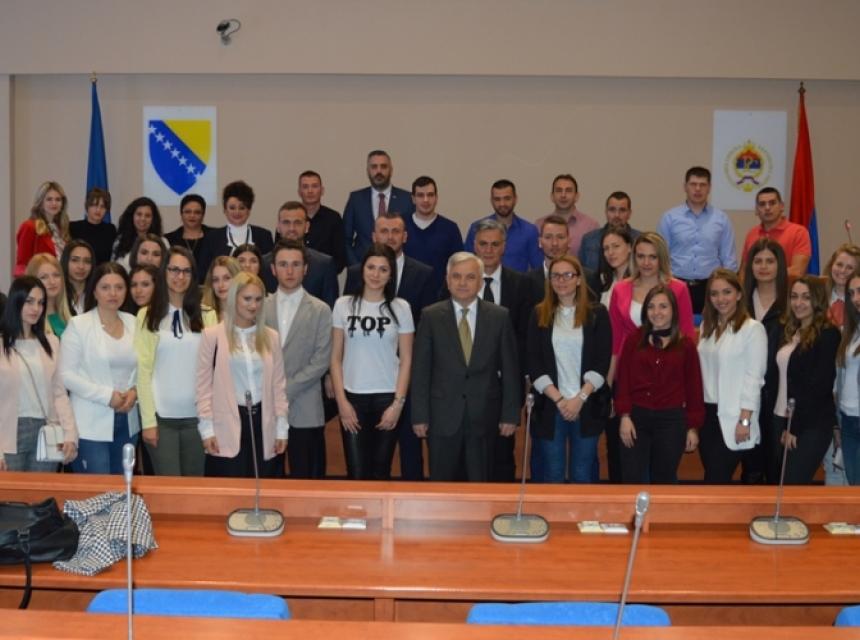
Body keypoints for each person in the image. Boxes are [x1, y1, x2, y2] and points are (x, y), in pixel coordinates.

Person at [411, 252, 521, 482]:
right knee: (442, 486)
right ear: (447, 280)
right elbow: (420, 370)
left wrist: (510, 415)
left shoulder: (499, 316)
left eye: (470, 277)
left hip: (484, 417)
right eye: (456, 276)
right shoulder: (431, 316)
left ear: (480, 282)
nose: (462, 283)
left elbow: (511, 370)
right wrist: (419, 415)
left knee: (480, 485)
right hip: (442, 417)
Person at [344, 212, 435, 480]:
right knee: (362, 466)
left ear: (405, 236)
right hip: (360, 381)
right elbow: (346, 333)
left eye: (396, 231)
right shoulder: (354, 275)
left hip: (403, 378)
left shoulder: (424, 273)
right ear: (374, 236)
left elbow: (425, 332)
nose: (390, 236)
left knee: (408, 451)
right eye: (384, 231)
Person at [331, 244, 413, 480]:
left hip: (387, 399)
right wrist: (342, 403)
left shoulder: (401, 308)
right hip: (352, 398)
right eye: (371, 267)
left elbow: (407, 359)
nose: (376, 274)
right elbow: (335, 358)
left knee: (380, 472)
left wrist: (397, 405)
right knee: (356, 472)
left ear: (391, 274)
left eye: (383, 269)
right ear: (362, 269)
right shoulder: (343, 305)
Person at [526, 255, 611, 483]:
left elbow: (602, 361)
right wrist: (560, 400)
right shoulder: (539, 313)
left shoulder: (598, 313)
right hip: (551, 405)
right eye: (555, 276)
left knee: (582, 473)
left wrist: (579, 398)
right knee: (552, 472)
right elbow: (534, 362)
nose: (561, 280)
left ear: (579, 279)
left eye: (567, 275)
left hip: (587, 404)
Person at [196, 271, 288, 478]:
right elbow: (203, 388)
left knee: (265, 488)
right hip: (225, 426)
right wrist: (207, 430)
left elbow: (279, 386)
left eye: (258, 299)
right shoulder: (212, 336)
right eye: (247, 298)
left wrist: (282, 429)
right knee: (229, 489)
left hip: (264, 423)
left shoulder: (271, 337)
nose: (253, 305)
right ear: (233, 298)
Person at [136, 246, 217, 476]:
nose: (180, 276)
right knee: (168, 488)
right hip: (162, 421)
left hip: (198, 419)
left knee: (195, 488)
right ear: (164, 272)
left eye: (186, 271)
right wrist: (148, 421)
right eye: (174, 270)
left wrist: (210, 420)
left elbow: (212, 371)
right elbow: (143, 372)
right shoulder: (147, 315)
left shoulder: (208, 315)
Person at [462, 218, 532, 481]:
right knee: (466, 458)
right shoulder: (459, 284)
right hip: (465, 389)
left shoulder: (522, 284)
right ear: (474, 246)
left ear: (504, 246)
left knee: (502, 458)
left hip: (504, 388)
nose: (488, 250)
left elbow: (525, 338)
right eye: (483, 244)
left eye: (495, 244)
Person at [614, 284, 704, 484]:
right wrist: (625, 416)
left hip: (671, 420)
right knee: (632, 477)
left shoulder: (686, 345)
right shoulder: (634, 340)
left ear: (673, 310)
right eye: (651, 307)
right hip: (636, 418)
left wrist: (692, 427)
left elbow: (694, 388)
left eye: (663, 306)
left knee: (664, 479)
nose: (657, 312)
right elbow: (623, 380)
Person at [60, 262, 139, 474]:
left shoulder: (134, 323)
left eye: (119, 287)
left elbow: (144, 369)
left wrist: (135, 391)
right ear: (94, 291)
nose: (113, 293)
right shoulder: (78, 325)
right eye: (105, 287)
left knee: (123, 488)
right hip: (90, 423)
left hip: (128, 420)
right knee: (96, 489)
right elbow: (66, 375)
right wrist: (106, 396)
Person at [264, 240, 333, 479]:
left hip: (306, 407)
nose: (290, 271)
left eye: (295, 264)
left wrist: (285, 389)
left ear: (306, 269)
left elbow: (322, 359)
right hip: (268, 406)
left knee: (307, 480)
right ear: (273, 269)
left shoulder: (321, 309)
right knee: (269, 480)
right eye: (283, 264)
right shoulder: (260, 307)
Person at [697, 269, 768, 483]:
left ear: (738, 294)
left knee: (715, 481)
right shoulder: (707, 327)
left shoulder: (753, 329)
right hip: (708, 416)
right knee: (713, 479)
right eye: (714, 293)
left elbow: (754, 379)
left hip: (734, 415)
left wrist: (745, 420)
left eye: (727, 292)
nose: (721, 299)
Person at [0, 277, 77, 471]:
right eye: (29, 301)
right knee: (10, 491)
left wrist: (70, 434)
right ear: (16, 302)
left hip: (47, 431)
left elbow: (59, 393)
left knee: (43, 490)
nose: (36, 308)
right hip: (8, 433)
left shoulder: (51, 343)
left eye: (41, 302)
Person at [773, 276, 840, 484]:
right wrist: (785, 423)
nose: (798, 303)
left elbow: (818, 387)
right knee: (780, 485)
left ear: (818, 300)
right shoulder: (791, 331)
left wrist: (794, 426)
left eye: (806, 297)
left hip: (810, 423)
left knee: (792, 486)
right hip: (782, 416)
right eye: (794, 297)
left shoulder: (828, 334)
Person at [608, 232, 696, 385]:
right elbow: (614, 341)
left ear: (661, 258)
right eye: (641, 256)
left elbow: (686, 335)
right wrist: (609, 382)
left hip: (668, 369)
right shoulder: (620, 289)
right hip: (629, 366)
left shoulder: (679, 289)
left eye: (653, 257)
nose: (646, 263)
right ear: (634, 258)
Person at [657, 166, 738, 313]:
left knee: (711, 325)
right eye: (693, 184)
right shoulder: (669, 218)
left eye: (703, 185)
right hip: (676, 284)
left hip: (711, 287)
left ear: (709, 188)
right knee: (677, 325)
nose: (698, 189)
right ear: (685, 187)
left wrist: (727, 289)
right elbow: (661, 255)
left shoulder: (721, 219)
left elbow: (729, 259)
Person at [742, 239, 789, 484]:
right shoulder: (740, 302)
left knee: (775, 466)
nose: (763, 266)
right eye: (758, 261)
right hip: (746, 396)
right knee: (750, 467)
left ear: (780, 266)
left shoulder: (791, 303)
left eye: (770, 261)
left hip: (779, 396)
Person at [343, 150, 415, 266]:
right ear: (368, 171)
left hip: (398, 267)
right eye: (374, 167)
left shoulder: (407, 199)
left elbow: (412, 237)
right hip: (363, 267)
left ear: (391, 170)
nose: (379, 171)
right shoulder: (356, 199)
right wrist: (356, 266)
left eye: (383, 166)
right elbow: (345, 239)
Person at [261, 202, 338, 306]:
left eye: (297, 223)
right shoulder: (263, 264)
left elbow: (330, 308)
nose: (292, 228)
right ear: (278, 227)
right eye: (286, 223)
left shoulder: (324, 264)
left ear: (307, 226)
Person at [402, 176, 464, 299]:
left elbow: (458, 265)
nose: (426, 200)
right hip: (405, 298)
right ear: (413, 199)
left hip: (440, 299)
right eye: (420, 195)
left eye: (430, 195)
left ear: (436, 198)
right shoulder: (400, 226)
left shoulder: (450, 228)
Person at [197, 180, 274, 279]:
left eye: (242, 208)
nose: (237, 212)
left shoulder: (264, 236)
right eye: (232, 208)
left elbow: (269, 272)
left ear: (249, 210)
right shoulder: (212, 237)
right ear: (225, 209)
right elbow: (204, 273)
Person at [465, 179, 542, 272]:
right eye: (497, 199)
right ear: (491, 201)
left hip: (518, 281)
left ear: (515, 199)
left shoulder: (529, 231)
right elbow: (467, 265)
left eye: (507, 198)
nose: (502, 204)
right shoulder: (477, 228)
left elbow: (538, 268)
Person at [741, 187, 811, 278]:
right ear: (756, 210)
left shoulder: (798, 232)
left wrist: (765, 275)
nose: (767, 208)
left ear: (781, 206)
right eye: (762, 204)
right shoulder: (752, 234)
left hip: (786, 287)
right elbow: (744, 271)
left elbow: (798, 271)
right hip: (755, 287)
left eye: (772, 203)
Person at [535, 174, 600, 257]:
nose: (563, 195)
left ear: (576, 196)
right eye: (559, 190)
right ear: (552, 196)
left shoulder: (591, 226)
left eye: (568, 191)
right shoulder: (539, 225)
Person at [15, 181, 70, 277]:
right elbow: (22, 265)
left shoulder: (62, 228)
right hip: (39, 281)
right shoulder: (29, 226)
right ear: (40, 202)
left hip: (60, 281)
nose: (54, 203)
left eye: (58, 199)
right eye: (49, 199)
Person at [836, 270, 860, 485]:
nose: (855, 298)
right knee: (854, 486)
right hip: (848, 419)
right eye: (851, 293)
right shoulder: (850, 332)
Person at [297, 170, 346, 273]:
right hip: (294, 277)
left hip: (326, 279)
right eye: (305, 187)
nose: (310, 191)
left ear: (322, 190)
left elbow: (340, 258)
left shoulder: (334, 218)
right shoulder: (290, 219)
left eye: (314, 186)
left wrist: (325, 275)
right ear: (299, 192)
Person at [579, 191, 640, 272]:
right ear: (606, 212)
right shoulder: (589, 240)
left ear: (629, 213)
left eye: (622, 210)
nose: (617, 215)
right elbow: (582, 272)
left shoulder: (639, 239)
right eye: (612, 210)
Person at [25, 253, 72, 337]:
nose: (52, 282)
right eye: (44, 277)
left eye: (56, 275)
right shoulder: (29, 320)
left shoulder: (71, 315)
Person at [69, 187, 117, 265]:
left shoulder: (110, 229)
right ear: (87, 206)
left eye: (102, 206)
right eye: (95, 205)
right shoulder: (73, 227)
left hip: (103, 271)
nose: (98, 210)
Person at [112, 197, 164, 265]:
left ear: (153, 219)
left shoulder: (162, 241)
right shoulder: (120, 241)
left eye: (147, 216)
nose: (143, 219)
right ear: (132, 216)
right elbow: (114, 267)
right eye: (139, 214)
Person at [164, 194, 210, 268]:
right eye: (188, 212)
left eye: (197, 212)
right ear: (181, 214)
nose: (192, 215)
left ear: (203, 215)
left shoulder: (214, 236)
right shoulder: (169, 239)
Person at [595, 226, 633, 308]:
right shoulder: (603, 280)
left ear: (629, 247)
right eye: (606, 248)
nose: (610, 252)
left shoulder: (639, 280)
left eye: (616, 246)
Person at [824, 243, 860, 328]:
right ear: (831, 265)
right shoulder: (818, 296)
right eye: (839, 265)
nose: (843, 271)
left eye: (849, 267)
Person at [61, 240, 95, 316]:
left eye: (87, 261)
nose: (81, 266)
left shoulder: (98, 294)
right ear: (65, 261)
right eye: (75, 260)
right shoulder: (57, 293)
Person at [201, 256, 241, 321]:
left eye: (226, 278)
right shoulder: (203, 314)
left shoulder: (249, 312)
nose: (220, 285)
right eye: (216, 280)